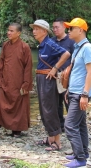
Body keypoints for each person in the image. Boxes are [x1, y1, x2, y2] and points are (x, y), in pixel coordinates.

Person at [30, 19, 71, 152]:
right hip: (42, 78)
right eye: (33, 29)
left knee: (49, 109)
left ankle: (57, 142)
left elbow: (66, 54)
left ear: (44, 31)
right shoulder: (42, 44)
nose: (34, 31)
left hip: (48, 79)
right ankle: (50, 138)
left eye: (37, 29)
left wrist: (55, 68)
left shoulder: (49, 43)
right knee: (44, 109)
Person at [63, 18, 91, 168]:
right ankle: (82, 153)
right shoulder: (78, 47)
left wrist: (84, 95)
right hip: (74, 92)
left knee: (70, 125)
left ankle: (80, 159)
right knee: (80, 125)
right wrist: (68, 89)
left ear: (80, 30)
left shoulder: (88, 48)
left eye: (71, 28)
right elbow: (77, 72)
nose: (68, 31)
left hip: (80, 94)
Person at [0, 23, 33, 138]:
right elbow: (1, 63)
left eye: (12, 31)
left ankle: (16, 131)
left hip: (18, 82)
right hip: (6, 81)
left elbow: (28, 67)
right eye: (8, 30)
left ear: (18, 33)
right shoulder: (6, 45)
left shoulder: (25, 47)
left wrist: (26, 84)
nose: (9, 33)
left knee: (19, 105)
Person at [52, 18, 75, 132]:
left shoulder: (71, 41)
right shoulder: (51, 41)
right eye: (53, 27)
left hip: (67, 76)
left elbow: (75, 59)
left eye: (57, 27)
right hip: (54, 76)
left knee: (68, 101)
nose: (55, 30)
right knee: (56, 103)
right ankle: (60, 125)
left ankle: (72, 125)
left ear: (64, 27)